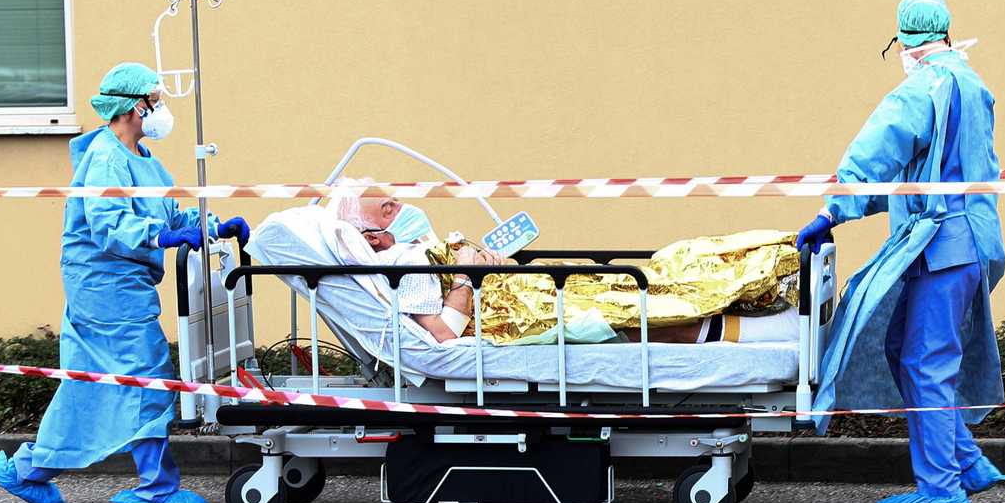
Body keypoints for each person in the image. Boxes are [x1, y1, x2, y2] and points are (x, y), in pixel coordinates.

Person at [0, 62, 251, 503]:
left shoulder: (143, 159)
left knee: (90, 386)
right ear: (135, 106)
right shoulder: (106, 159)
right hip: (106, 285)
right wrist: (163, 237)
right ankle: (157, 489)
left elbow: (168, 215)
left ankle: (28, 470)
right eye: (156, 99)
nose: (162, 109)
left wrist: (211, 226)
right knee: (147, 377)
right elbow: (109, 224)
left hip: (118, 284)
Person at [796, 0, 1005, 503]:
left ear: (905, 40)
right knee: (903, 349)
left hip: (942, 245)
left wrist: (832, 211)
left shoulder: (923, 88)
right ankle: (966, 461)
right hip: (968, 241)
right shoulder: (971, 83)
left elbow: (876, 154)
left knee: (927, 363)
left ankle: (942, 491)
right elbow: (946, 172)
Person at [328, 187, 800, 345]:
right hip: (519, 313)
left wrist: (486, 263)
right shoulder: (405, 265)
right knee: (633, 309)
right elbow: (444, 335)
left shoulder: (422, 249)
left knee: (666, 269)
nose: (399, 205)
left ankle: (774, 271)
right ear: (370, 236)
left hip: (525, 288)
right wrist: (469, 276)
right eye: (386, 207)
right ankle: (771, 330)